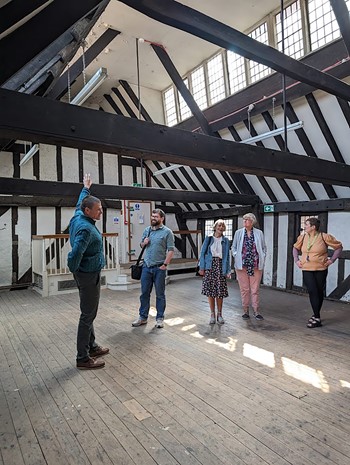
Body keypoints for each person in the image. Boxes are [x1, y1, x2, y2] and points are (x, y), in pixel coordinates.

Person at [67, 174, 109, 369]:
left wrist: (86, 187)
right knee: (87, 316)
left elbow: (78, 203)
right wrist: (77, 271)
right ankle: (82, 357)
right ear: (88, 211)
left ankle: (91, 346)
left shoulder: (78, 214)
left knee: (89, 312)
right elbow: (74, 255)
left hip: (87, 274)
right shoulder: (85, 229)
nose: (101, 212)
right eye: (98, 210)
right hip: (88, 275)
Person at [293, 217, 343, 328]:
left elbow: (338, 247)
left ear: (313, 227)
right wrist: (297, 260)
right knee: (312, 290)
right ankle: (317, 316)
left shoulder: (324, 237)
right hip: (307, 268)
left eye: (306, 225)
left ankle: (316, 316)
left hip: (321, 269)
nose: (304, 227)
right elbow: (295, 248)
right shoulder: (303, 237)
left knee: (319, 292)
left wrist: (331, 260)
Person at [132, 209, 174, 329]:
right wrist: (143, 243)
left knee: (160, 294)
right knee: (144, 293)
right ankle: (142, 317)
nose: (153, 218)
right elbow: (141, 245)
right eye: (152, 216)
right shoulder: (147, 230)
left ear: (162, 218)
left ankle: (160, 318)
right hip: (146, 266)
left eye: (156, 216)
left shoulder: (167, 232)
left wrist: (165, 265)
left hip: (159, 267)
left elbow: (171, 250)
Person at [232, 213, 266, 320]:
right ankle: (245, 311)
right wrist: (236, 255)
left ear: (252, 222)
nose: (245, 221)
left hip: (255, 265)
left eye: (247, 220)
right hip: (242, 265)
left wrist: (263, 256)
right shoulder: (238, 233)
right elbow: (234, 247)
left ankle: (256, 311)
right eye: (244, 219)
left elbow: (264, 247)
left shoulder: (259, 233)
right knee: (244, 289)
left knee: (255, 289)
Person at [198, 219, 231, 324]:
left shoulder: (225, 240)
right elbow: (202, 253)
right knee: (210, 291)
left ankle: (220, 314)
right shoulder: (208, 238)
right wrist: (201, 267)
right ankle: (212, 314)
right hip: (210, 266)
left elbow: (227, 256)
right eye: (219, 225)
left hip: (221, 265)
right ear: (215, 227)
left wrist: (228, 270)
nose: (220, 228)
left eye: (222, 226)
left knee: (220, 292)